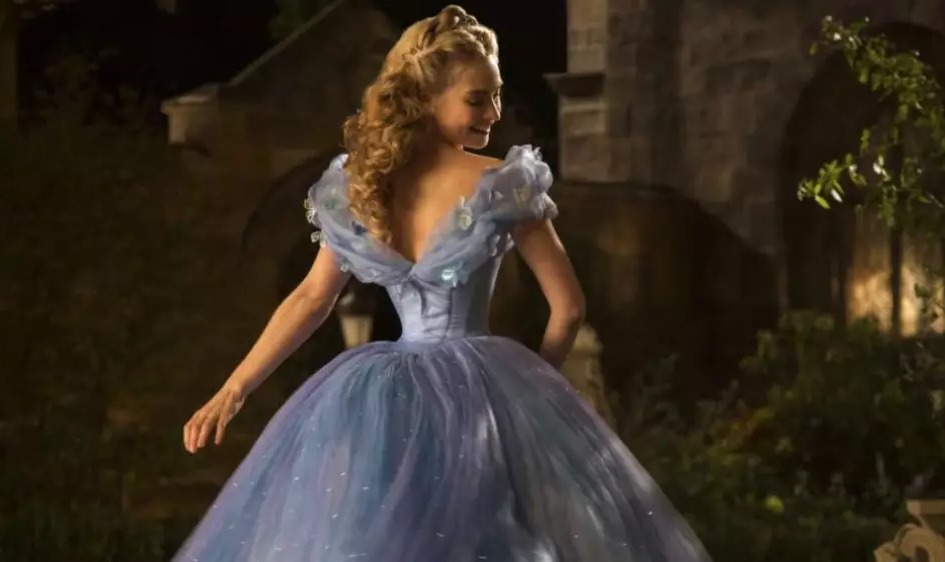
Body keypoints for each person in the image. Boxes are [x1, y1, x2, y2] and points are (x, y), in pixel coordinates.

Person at [174, 5, 712, 561]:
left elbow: (312, 298)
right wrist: (531, 395)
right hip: (478, 390)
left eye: (497, 96)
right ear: (427, 97)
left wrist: (235, 387)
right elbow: (569, 308)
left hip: (381, 398)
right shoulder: (503, 183)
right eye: (478, 99)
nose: (494, 112)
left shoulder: (363, 186)